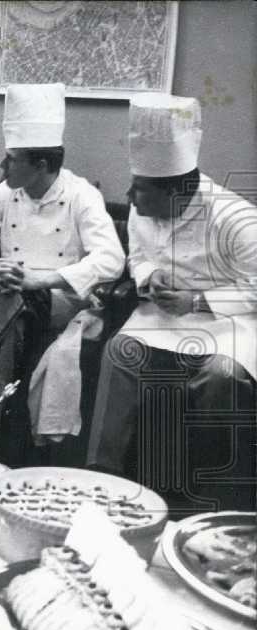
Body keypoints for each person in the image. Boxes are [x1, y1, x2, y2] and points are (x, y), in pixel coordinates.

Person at [86, 93, 256, 514]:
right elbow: (139, 256)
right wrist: (149, 277)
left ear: (175, 192)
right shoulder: (142, 208)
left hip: (227, 327)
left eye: (140, 188)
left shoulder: (233, 216)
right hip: (159, 320)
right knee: (119, 354)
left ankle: (212, 500)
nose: (130, 195)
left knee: (221, 374)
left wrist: (198, 299)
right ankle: (102, 480)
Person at [0, 83, 124, 455]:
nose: (1, 166)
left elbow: (111, 259)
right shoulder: (3, 194)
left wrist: (41, 278)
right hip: (7, 300)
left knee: (12, 294)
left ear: (40, 164)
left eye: (11, 159)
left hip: (60, 301)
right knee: (6, 295)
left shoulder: (80, 196)